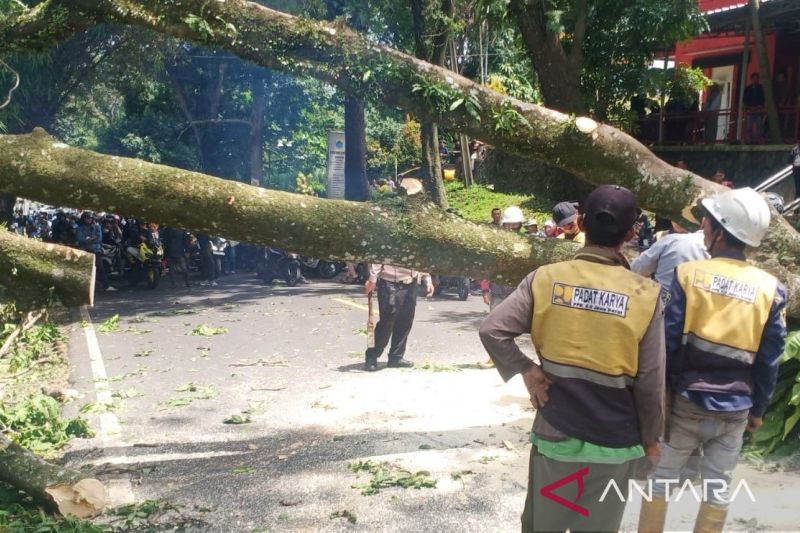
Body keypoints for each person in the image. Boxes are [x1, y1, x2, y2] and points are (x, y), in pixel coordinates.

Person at [480, 185, 665, 533]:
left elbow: (492, 329)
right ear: (630, 233)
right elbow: (652, 380)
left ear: (580, 221)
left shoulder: (545, 279)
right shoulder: (645, 294)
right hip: (616, 444)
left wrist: (527, 370)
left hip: (556, 437)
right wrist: (652, 440)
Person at [639, 187, 786, 533]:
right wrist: (759, 410)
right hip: (736, 409)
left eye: (706, 222)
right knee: (718, 487)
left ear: (720, 231)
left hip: (685, 403)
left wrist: (664, 395)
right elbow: (769, 359)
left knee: (661, 481)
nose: (702, 227)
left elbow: (669, 342)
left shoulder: (690, 276)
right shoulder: (770, 288)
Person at [363, 265, 434, 371]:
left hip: (411, 283)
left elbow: (420, 260)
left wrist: (427, 278)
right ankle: (371, 356)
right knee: (386, 323)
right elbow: (378, 259)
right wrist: (372, 279)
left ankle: (396, 357)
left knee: (405, 321)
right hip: (390, 283)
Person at [76, 211, 115, 292]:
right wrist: (92, 238)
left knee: (101, 268)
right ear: (83, 219)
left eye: (90, 218)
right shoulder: (80, 228)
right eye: (87, 218)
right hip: (85, 250)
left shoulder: (97, 227)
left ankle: (106, 286)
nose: (88, 220)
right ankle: (83, 288)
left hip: (96, 250)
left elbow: (99, 239)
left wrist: (89, 239)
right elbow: (80, 239)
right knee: (85, 269)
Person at [743, 72, 766, 143]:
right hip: (750, 110)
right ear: (751, 79)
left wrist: (759, 106)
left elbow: (763, 98)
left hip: (759, 109)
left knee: (759, 125)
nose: (755, 80)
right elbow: (744, 99)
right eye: (754, 79)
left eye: (757, 79)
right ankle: (750, 140)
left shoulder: (761, 88)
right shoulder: (747, 88)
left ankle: (758, 140)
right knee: (749, 126)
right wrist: (749, 107)